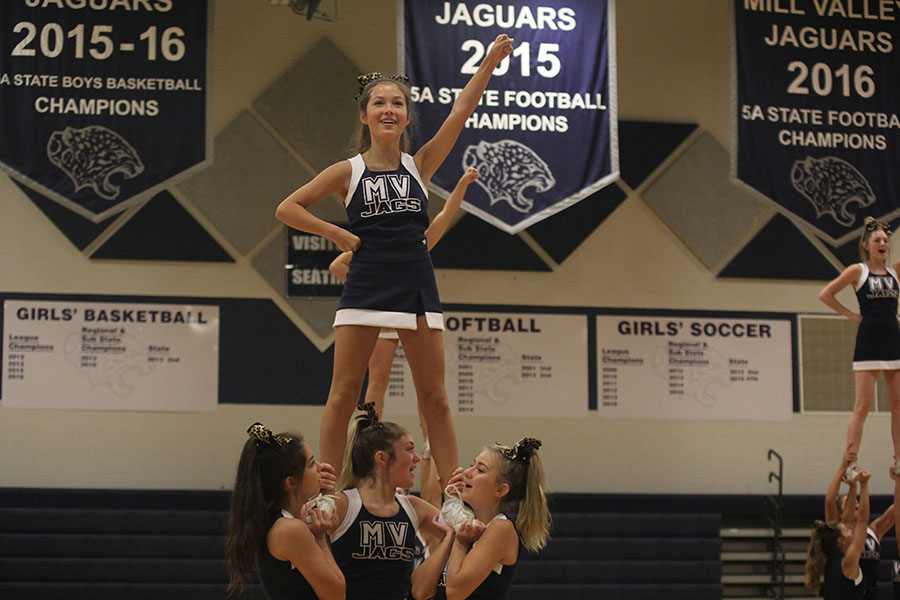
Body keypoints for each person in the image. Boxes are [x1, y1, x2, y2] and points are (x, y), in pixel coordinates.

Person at [275, 34, 514, 491]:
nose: (389, 110)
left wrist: (487, 64)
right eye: (379, 103)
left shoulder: (419, 165)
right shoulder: (347, 171)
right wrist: (336, 232)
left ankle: (452, 492)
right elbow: (288, 208)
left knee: (435, 399)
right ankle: (327, 491)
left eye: (398, 104)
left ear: (406, 116)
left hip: (417, 284)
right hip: (366, 284)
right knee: (344, 394)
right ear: (364, 116)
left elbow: (460, 112)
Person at [328, 166, 479, 504]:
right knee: (376, 380)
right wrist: (367, 288)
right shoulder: (376, 244)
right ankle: (371, 427)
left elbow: (445, 214)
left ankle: (430, 442)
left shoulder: (421, 243)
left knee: (428, 387)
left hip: (412, 306)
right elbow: (337, 265)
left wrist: (461, 185)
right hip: (380, 308)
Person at [328, 402, 455, 600]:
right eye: (409, 450)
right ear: (382, 458)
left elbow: (462, 531)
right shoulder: (342, 505)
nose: (416, 459)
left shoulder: (414, 508)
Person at [225, 422, 344, 600]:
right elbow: (336, 594)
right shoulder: (290, 530)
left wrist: (327, 497)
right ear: (291, 482)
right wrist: (320, 538)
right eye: (311, 464)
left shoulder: (284, 523)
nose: (320, 467)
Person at [819, 217, 900, 476]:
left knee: (897, 403)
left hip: (893, 340)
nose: (883, 243)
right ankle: (850, 464)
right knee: (862, 406)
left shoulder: (895, 272)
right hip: (868, 341)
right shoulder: (857, 271)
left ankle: (899, 460)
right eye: (877, 240)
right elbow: (826, 294)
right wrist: (851, 315)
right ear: (866, 245)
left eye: (886, 240)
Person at [424, 437, 551, 600]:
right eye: (472, 465)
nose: (467, 473)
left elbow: (455, 592)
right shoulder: (467, 522)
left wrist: (461, 543)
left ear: (500, 489)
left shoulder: (501, 528)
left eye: (480, 470)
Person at [824, 446, 894, 600]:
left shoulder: (873, 530)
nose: (856, 504)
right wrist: (843, 468)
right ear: (841, 514)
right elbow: (829, 502)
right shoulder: (839, 533)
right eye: (848, 502)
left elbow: (896, 511)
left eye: (856, 501)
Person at [805, 467, 872, 599]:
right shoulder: (848, 563)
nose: (850, 530)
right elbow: (862, 521)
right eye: (846, 530)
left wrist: (853, 487)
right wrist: (863, 485)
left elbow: (848, 518)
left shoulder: (831, 562)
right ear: (840, 541)